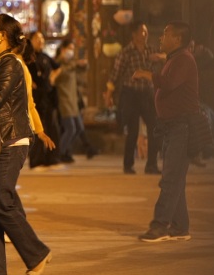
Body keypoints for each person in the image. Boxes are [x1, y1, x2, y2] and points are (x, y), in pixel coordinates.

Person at [0, 13, 52, 275]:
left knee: (0, 200)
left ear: (3, 35)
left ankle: (37, 253)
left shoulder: (9, 64)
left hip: (11, 140)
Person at [133, 21, 200, 242]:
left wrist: (146, 74)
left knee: (170, 178)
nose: (161, 38)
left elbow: (168, 84)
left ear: (178, 39)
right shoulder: (174, 59)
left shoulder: (183, 60)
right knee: (175, 178)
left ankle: (160, 225)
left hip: (182, 127)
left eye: (165, 34)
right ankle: (180, 227)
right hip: (172, 127)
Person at [104, 21, 161, 175]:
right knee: (133, 130)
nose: (145, 34)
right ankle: (128, 165)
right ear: (134, 34)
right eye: (142, 31)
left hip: (148, 93)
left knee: (154, 127)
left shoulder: (151, 51)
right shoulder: (126, 52)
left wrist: (160, 58)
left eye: (146, 31)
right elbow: (115, 74)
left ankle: (151, 165)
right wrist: (108, 95)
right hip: (131, 94)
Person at [53, 39, 94, 163]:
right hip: (64, 101)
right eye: (69, 49)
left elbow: (82, 69)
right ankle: (59, 153)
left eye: (73, 49)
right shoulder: (58, 63)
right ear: (63, 49)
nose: (71, 52)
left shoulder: (71, 63)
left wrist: (84, 64)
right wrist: (75, 64)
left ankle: (66, 152)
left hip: (73, 101)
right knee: (71, 128)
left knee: (78, 129)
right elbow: (60, 74)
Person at [27, 31, 62, 170]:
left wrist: (52, 78)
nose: (40, 41)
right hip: (36, 99)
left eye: (42, 38)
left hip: (48, 97)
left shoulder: (45, 57)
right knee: (38, 129)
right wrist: (30, 83)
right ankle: (36, 160)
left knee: (52, 127)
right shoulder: (27, 58)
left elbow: (58, 67)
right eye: (37, 38)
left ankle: (51, 158)